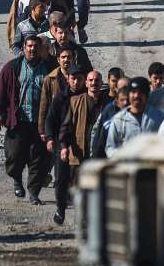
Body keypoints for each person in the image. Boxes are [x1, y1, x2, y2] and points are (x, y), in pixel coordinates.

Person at [0, 35, 54, 204]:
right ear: (24, 48)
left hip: (40, 123)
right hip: (18, 121)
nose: (32, 49)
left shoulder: (50, 68)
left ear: (40, 48)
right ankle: (17, 180)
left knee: (39, 158)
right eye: (29, 46)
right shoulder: (12, 68)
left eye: (35, 46)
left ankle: (34, 193)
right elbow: (0, 92)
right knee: (14, 155)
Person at [57, 69, 110, 223]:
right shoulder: (76, 101)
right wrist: (64, 146)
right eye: (91, 80)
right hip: (80, 152)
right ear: (86, 83)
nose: (94, 83)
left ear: (101, 84)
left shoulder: (108, 104)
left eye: (97, 80)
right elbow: (66, 127)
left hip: (99, 154)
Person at [45, 64, 87, 221]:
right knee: (61, 179)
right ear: (68, 79)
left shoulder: (87, 98)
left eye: (79, 79)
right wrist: (49, 138)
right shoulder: (60, 98)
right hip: (62, 144)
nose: (76, 82)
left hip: (82, 143)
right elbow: (50, 119)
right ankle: (60, 209)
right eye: (73, 78)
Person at [105, 77, 164, 157]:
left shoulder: (159, 117)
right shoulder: (119, 119)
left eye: (140, 93)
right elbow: (110, 147)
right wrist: (122, 156)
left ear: (147, 94)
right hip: (127, 167)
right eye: (133, 92)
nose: (136, 96)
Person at [38, 45, 73, 146]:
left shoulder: (79, 78)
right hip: (55, 124)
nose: (66, 60)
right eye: (63, 57)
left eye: (69, 57)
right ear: (58, 60)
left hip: (73, 124)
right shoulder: (49, 79)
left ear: (73, 58)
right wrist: (42, 130)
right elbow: (43, 105)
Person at [90, 79, 129, 158]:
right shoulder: (109, 110)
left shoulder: (139, 111)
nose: (124, 91)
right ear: (116, 89)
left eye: (127, 88)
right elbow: (97, 133)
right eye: (121, 89)